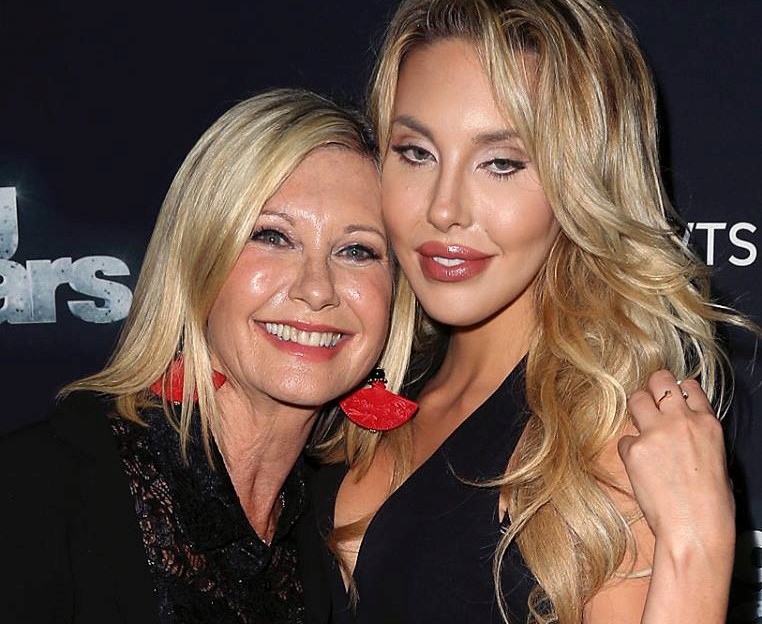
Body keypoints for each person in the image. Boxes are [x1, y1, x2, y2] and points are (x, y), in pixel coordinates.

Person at [311, 1, 741, 623]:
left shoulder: (608, 444)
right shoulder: (357, 386)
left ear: (582, 182)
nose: (444, 208)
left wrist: (696, 552)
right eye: (416, 152)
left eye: (501, 163)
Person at [0, 88, 416, 624]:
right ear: (197, 260)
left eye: (357, 250)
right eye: (273, 236)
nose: (317, 289)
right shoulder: (37, 493)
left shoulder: (336, 535)